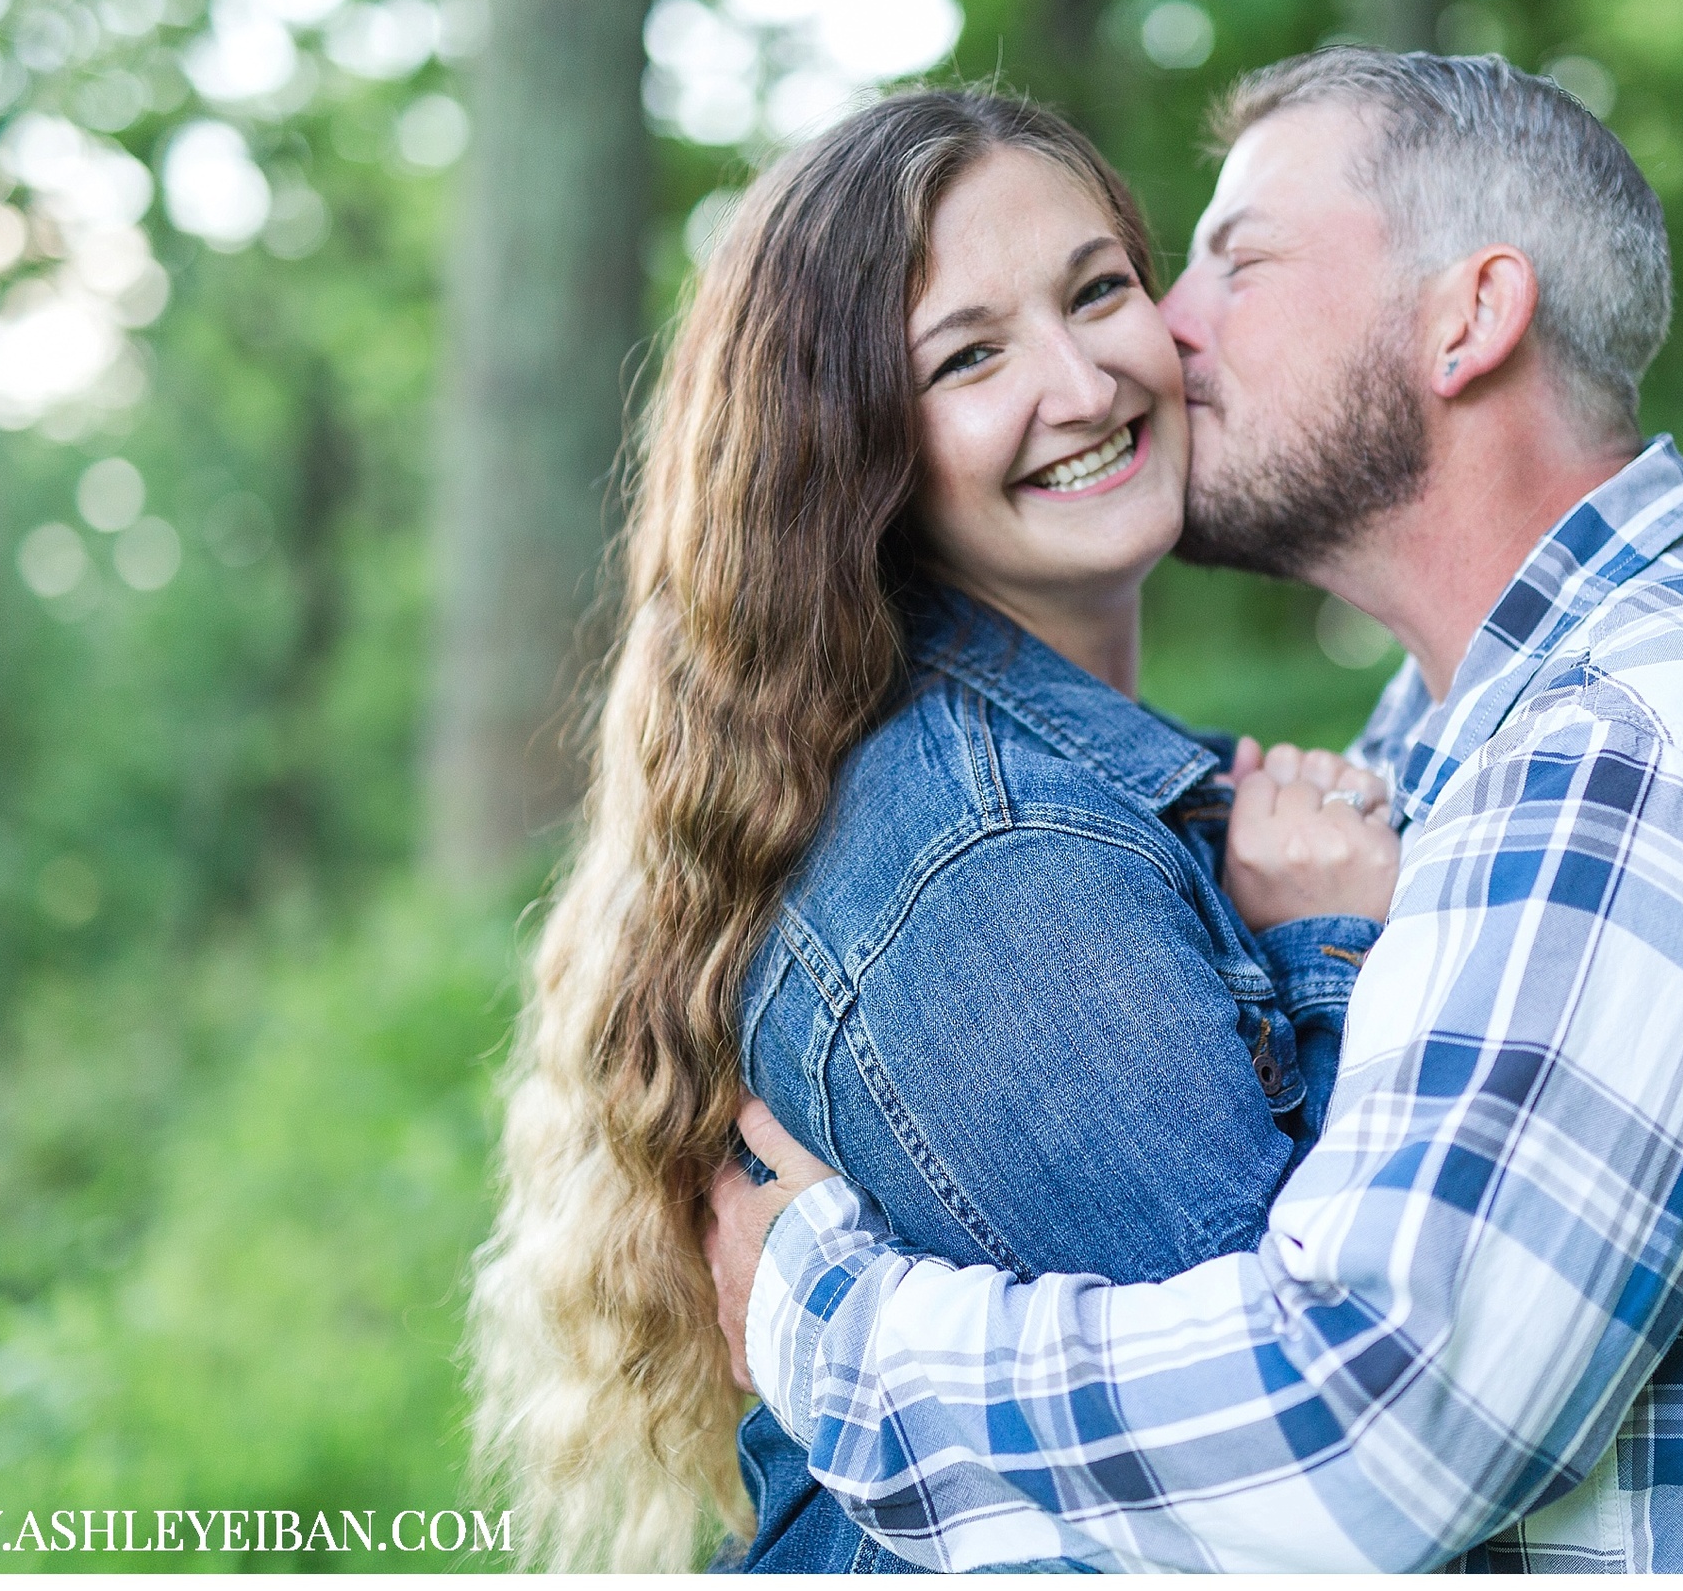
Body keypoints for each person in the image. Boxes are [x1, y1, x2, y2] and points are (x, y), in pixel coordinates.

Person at [709, 48, 1683, 1573]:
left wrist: (827, 1319)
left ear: (1466, 319)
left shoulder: (1637, 752)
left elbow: (1368, 1439)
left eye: (1240, 260)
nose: (1165, 328)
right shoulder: (1468, 724)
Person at [464, 88, 1408, 1573]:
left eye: (1099, 291)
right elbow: (1321, 1464)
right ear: (863, 454)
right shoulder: (996, 858)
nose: (1086, 381)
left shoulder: (1065, 786)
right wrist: (1329, 956)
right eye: (969, 356)